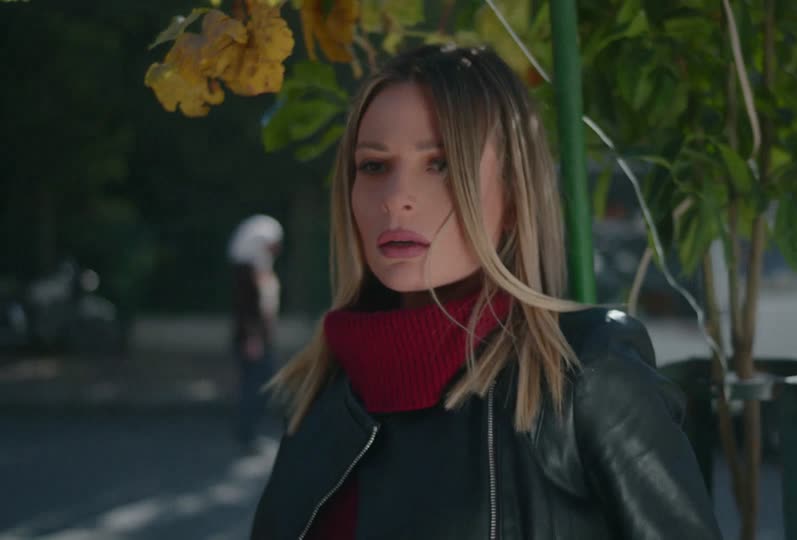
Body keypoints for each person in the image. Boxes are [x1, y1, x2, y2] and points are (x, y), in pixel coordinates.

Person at [251, 44, 721, 539]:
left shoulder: (587, 376)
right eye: (373, 166)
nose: (395, 199)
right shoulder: (319, 393)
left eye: (440, 164)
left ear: (514, 197)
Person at [227, 214, 283, 446]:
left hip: (258, 339)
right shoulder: (246, 271)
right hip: (253, 341)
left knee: (258, 384)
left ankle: (249, 433)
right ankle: (246, 434)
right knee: (255, 386)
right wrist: (253, 338)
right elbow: (247, 308)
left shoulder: (259, 268)